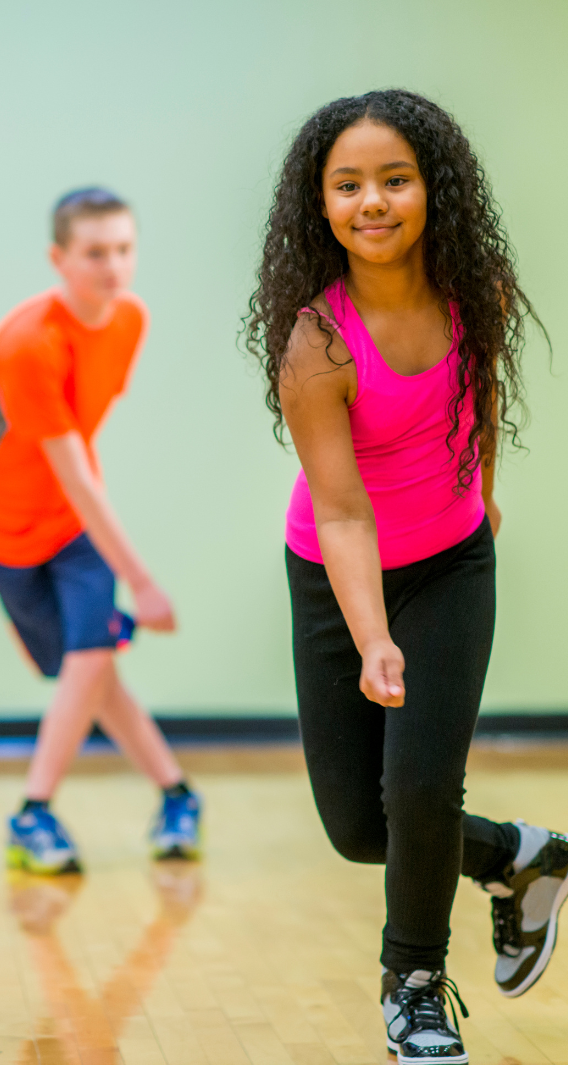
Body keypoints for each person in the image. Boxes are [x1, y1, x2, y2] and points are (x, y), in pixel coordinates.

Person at [244, 89, 568, 1065]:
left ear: (435, 189)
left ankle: (415, 989)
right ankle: (520, 858)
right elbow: (342, 511)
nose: (373, 202)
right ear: (321, 203)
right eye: (348, 185)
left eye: (395, 179)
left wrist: (485, 497)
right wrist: (373, 633)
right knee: (358, 826)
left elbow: (480, 399)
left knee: (422, 786)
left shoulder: (477, 294)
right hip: (336, 574)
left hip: (451, 564)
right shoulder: (316, 343)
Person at [0, 188, 200, 875]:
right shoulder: (30, 346)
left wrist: (127, 571)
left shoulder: (130, 319)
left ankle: (33, 812)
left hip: (72, 524)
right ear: (59, 259)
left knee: (89, 659)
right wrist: (144, 585)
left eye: (123, 249)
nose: (113, 266)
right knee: (86, 672)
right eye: (95, 253)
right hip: (1, 526)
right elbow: (73, 473)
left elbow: (79, 462)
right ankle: (178, 794)